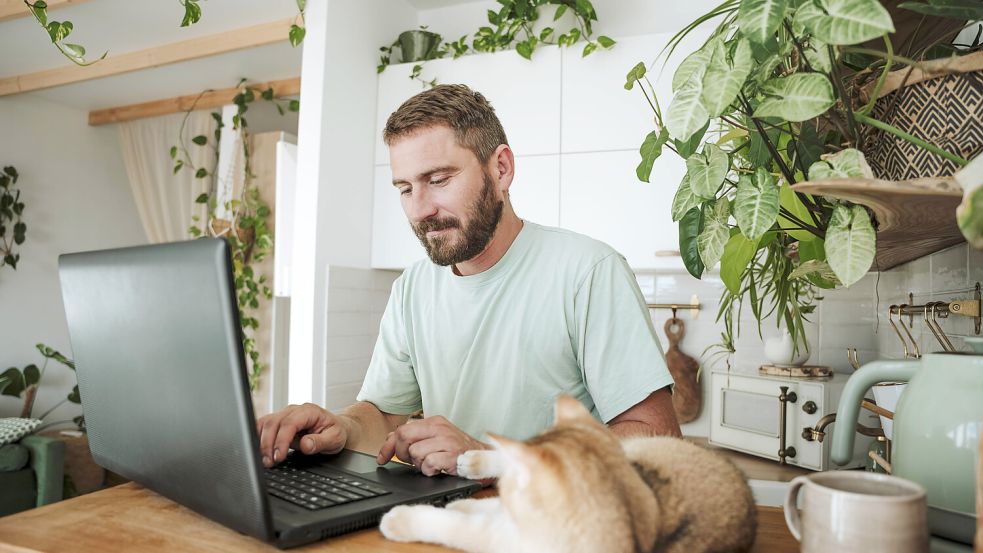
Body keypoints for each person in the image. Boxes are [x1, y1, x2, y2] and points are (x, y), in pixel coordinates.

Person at [257, 84, 680, 477]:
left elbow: (657, 442)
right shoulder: (413, 288)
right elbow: (386, 416)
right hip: (456, 524)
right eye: (405, 188)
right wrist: (342, 428)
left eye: (438, 180)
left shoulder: (588, 271)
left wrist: (493, 461)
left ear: (501, 168)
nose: (419, 208)